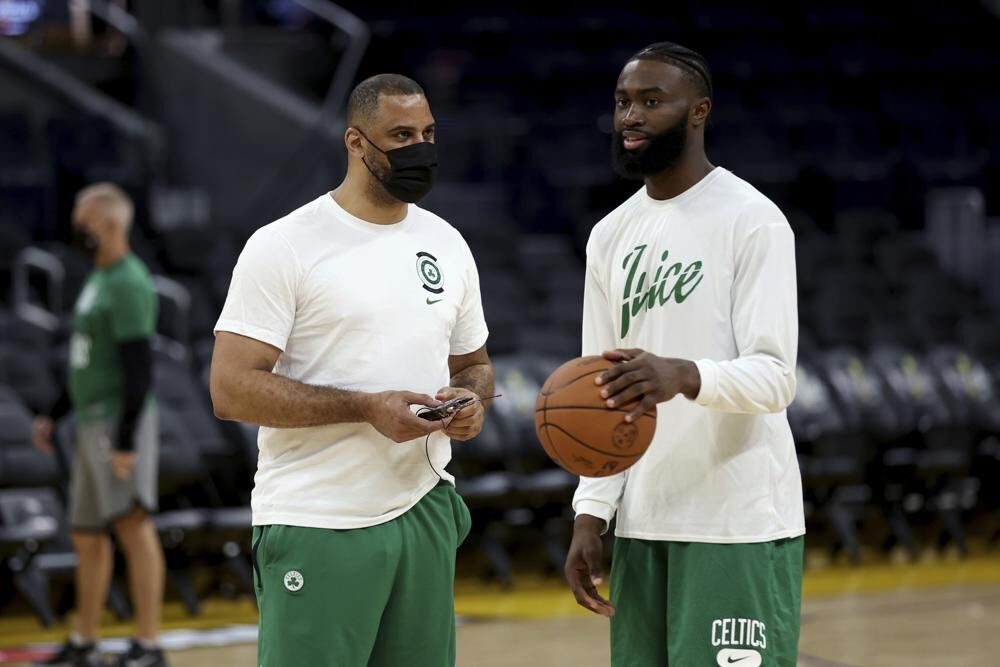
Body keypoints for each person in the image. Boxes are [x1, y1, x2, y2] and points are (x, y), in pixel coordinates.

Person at [209, 73, 493, 667]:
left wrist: (470, 402)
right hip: (320, 519)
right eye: (401, 134)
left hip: (423, 507)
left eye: (428, 132)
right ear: (356, 143)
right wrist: (364, 406)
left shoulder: (447, 243)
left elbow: (475, 365)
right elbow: (230, 389)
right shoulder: (284, 244)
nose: (421, 148)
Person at [564, 42, 805, 667]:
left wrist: (683, 375)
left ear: (698, 111)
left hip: (735, 520)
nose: (631, 117)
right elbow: (599, 391)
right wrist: (592, 512)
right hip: (645, 521)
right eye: (622, 103)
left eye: (651, 101)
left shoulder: (753, 220)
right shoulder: (611, 235)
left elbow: (776, 378)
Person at [32, 183, 168, 667]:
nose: (77, 230)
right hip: (88, 422)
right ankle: (86, 641)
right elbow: (87, 360)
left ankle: (149, 645)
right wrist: (54, 413)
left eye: (82, 221)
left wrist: (128, 440)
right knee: (86, 534)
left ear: (109, 225)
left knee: (133, 523)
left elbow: (138, 368)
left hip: (116, 423)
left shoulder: (130, 281)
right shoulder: (97, 279)